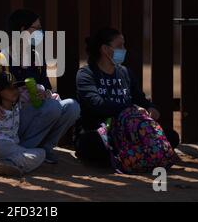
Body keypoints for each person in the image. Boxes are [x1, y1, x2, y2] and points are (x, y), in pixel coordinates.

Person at [75, 27, 179, 168]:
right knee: (90, 144)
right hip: (101, 131)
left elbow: (140, 99)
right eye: (119, 46)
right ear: (105, 49)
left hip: (129, 131)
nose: (123, 49)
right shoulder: (86, 74)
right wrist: (131, 109)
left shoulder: (125, 72)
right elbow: (97, 104)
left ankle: (124, 157)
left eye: (123, 45)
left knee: (171, 136)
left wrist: (151, 109)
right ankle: (138, 156)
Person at [0, 9, 81, 164]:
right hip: (15, 117)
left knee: (72, 106)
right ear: (23, 30)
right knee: (53, 108)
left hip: (38, 111)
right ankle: (25, 149)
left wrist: (45, 93)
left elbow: (47, 87)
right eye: (36, 28)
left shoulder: (36, 56)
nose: (40, 32)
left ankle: (46, 148)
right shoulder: (0, 58)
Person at [0, 72, 45, 177]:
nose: (15, 91)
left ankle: (7, 164)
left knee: (40, 153)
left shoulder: (15, 106)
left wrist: (43, 92)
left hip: (7, 147)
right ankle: (4, 163)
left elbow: (30, 95)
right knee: (40, 153)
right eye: (9, 88)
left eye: (15, 87)